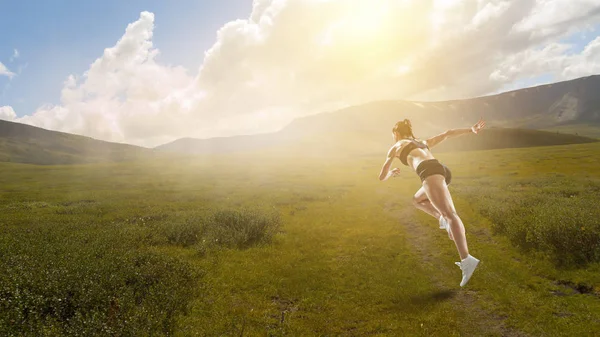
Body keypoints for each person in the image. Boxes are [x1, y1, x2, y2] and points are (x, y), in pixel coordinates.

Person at [378, 118, 486, 287]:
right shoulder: (421, 142)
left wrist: (391, 172)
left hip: (429, 172)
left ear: (396, 134)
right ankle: (442, 219)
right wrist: (470, 130)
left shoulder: (396, 146)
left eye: (393, 135)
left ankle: (467, 260)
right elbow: (447, 134)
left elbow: (381, 176)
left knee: (451, 214)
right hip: (440, 169)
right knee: (417, 200)